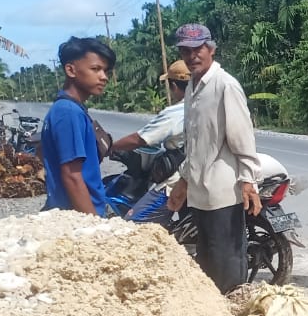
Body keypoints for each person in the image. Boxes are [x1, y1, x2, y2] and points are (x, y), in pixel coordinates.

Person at [166, 24, 261, 294]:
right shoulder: (192, 89)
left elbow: (242, 138)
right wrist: (183, 182)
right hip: (200, 195)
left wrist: (247, 181)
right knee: (207, 266)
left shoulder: (225, 86)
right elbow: (195, 144)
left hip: (223, 195)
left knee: (228, 265)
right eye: (186, 50)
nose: (192, 55)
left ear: (211, 49)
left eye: (198, 49)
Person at [40, 36, 115, 216]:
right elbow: (72, 176)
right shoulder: (68, 112)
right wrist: (92, 226)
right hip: (78, 218)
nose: (103, 77)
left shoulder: (69, 109)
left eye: (105, 71)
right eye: (95, 69)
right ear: (71, 70)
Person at [110, 60, 189, 222]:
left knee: (134, 225)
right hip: (206, 173)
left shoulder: (176, 112)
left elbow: (140, 139)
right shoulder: (207, 105)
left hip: (180, 177)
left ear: (173, 86)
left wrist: (110, 147)